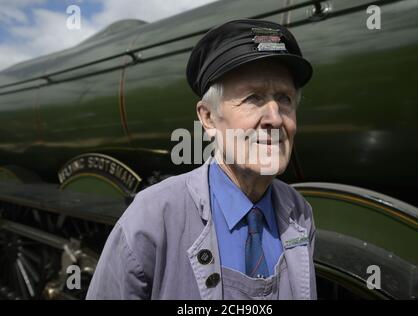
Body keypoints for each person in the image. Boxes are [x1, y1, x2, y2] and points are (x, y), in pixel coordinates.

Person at [86, 19, 316, 300]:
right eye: (253, 98)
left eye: (285, 99)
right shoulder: (151, 217)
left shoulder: (299, 212)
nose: (275, 118)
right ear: (208, 118)